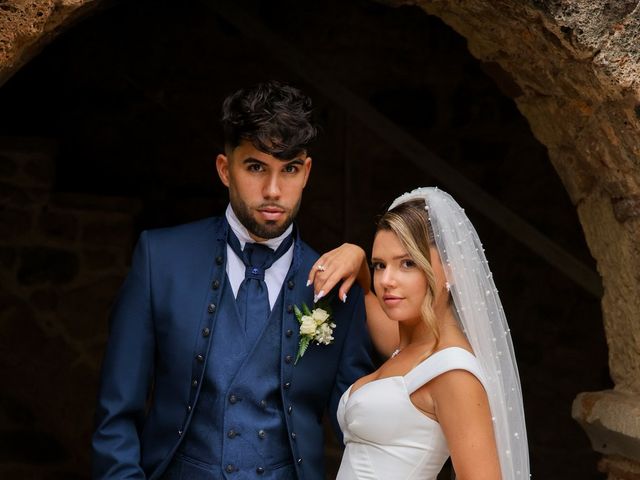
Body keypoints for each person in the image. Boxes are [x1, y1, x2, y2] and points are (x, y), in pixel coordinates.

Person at [91, 80, 373, 480]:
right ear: (225, 169)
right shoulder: (161, 259)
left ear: (306, 172)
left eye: (289, 169)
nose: (273, 190)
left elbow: (362, 432)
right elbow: (116, 416)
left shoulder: (338, 286)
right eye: (256, 167)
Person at [308, 187, 529, 479]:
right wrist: (357, 256)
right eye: (380, 265)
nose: (387, 280)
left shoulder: (454, 373)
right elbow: (367, 295)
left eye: (408, 263)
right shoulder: (406, 345)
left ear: (450, 272)